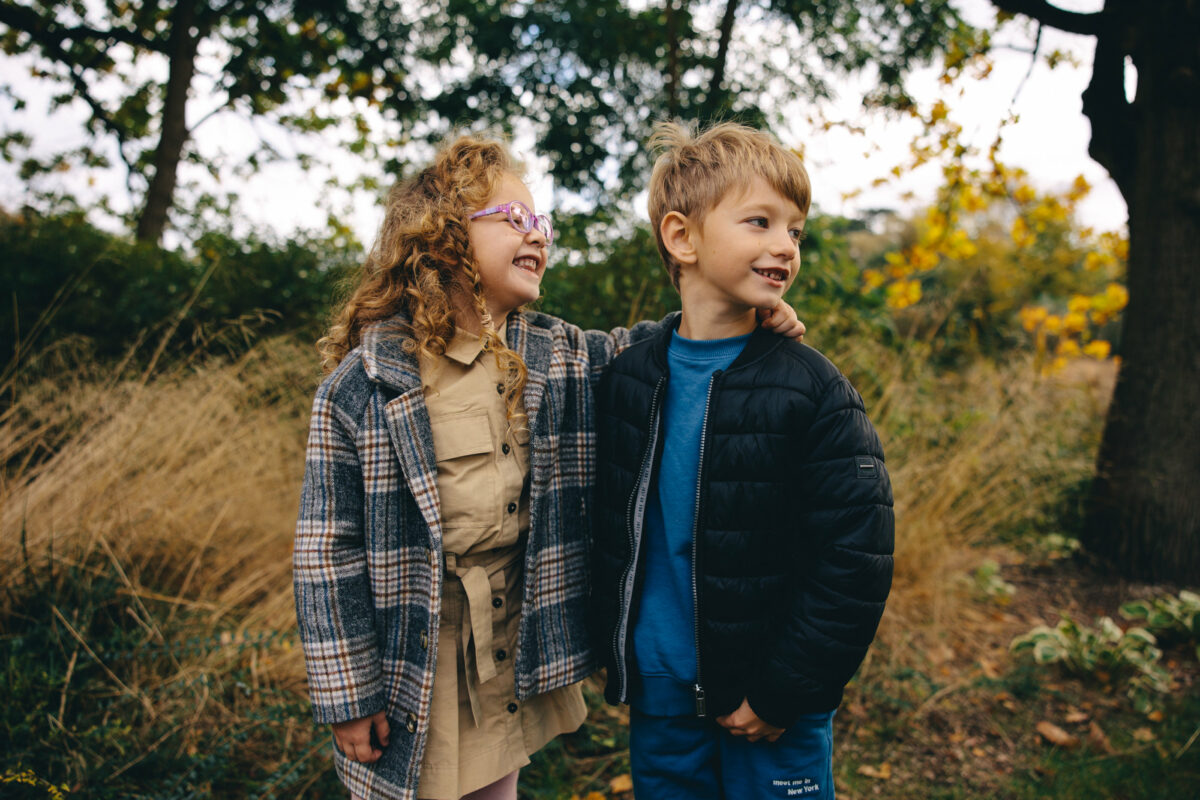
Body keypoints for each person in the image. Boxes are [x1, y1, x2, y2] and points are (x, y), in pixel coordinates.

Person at [293, 135, 807, 800]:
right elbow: (326, 551)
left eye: (544, 223)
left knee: (496, 784)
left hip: (509, 642)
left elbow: (648, 350)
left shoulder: (555, 353)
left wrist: (743, 310)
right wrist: (347, 691)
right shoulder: (366, 384)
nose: (538, 235)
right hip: (413, 655)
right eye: (514, 220)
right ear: (442, 239)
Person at [591, 120, 895, 800]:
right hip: (662, 694)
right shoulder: (628, 380)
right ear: (682, 237)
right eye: (760, 222)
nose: (784, 246)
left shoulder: (812, 389)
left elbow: (855, 559)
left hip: (771, 699)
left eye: (795, 231)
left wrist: (786, 688)